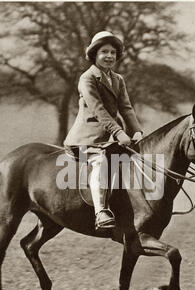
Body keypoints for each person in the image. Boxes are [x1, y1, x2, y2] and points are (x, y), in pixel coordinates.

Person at [64, 31, 143, 230]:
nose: (109, 56)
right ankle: (101, 212)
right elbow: (98, 110)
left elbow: (126, 107)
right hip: (86, 139)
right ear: (94, 55)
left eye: (113, 52)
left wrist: (136, 131)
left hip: (111, 137)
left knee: (137, 159)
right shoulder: (87, 78)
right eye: (104, 52)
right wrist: (119, 132)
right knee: (100, 162)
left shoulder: (118, 79)